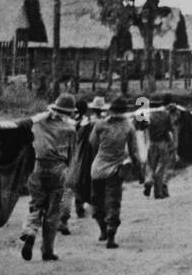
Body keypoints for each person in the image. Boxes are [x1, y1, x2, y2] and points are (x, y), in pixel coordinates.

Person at [20, 93, 77, 262]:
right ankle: (47, 250)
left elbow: (27, 124)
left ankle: (30, 231)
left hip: (37, 166)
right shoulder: (70, 129)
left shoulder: (39, 124)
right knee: (53, 210)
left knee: (36, 204)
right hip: (58, 168)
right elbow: (72, 154)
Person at [88, 97, 141, 249]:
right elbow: (134, 152)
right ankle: (111, 233)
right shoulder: (128, 127)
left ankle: (102, 230)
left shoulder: (100, 124)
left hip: (97, 168)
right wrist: (138, 169)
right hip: (116, 169)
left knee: (97, 201)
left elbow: (93, 143)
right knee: (113, 202)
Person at [141, 93, 177, 199]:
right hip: (163, 143)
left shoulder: (147, 115)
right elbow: (172, 129)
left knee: (150, 165)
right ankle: (158, 192)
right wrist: (174, 142)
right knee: (161, 167)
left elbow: (142, 128)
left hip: (151, 143)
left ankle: (148, 180)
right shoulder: (166, 114)